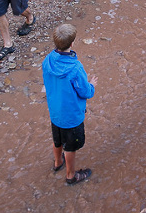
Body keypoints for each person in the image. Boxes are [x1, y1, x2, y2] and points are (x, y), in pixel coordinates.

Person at [42, 23, 98, 185]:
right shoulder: (75, 68)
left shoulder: (48, 60)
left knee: (57, 140)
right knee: (70, 147)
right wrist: (92, 85)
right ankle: (71, 176)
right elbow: (85, 92)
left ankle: (57, 162)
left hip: (55, 112)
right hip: (71, 117)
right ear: (72, 43)